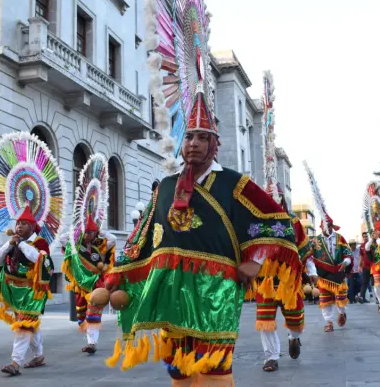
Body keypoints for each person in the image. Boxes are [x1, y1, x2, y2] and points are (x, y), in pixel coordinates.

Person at [103, 85, 303, 386]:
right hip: (171, 289)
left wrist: (256, 260)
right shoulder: (167, 187)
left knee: (214, 368)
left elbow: (277, 223)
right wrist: (114, 278)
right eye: (189, 137)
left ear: (214, 145)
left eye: (202, 138)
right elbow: (141, 236)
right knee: (178, 370)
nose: (194, 144)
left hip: (216, 290)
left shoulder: (234, 184)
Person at [0, 206, 54, 376]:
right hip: (15, 291)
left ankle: (16, 362)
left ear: (32, 227)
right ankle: (39, 356)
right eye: (18, 224)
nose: (19, 227)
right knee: (30, 324)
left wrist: (21, 244)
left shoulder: (39, 242)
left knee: (24, 325)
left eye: (24, 224)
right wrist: (9, 244)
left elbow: (39, 259)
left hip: (33, 291)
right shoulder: (13, 241)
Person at [255, 187, 312, 373]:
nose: (270, 199)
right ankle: (271, 357)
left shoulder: (293, 221)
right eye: (267, 196)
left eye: (274, 197)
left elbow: (303, 247)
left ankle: (293, 337)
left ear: (280, 199)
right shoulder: (255, 220)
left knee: (295, 320)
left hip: (289, 280)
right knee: (265, 321)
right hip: (265, 280)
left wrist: (311, 271)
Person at [61, 216, 117, 353]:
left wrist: (101, 231)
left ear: (95, 233)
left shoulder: (100, 247)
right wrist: (76, 229)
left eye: (90, 232)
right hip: (80, 286)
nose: (87, 235)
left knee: (93, 313)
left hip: (96, 284)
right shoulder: (75, 246)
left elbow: (113, 240)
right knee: (82, 316)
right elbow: (63, 240)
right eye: (85, 232)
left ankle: (92, 343)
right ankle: (90, 338)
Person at [310, 216, 352, 332]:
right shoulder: (315, 241)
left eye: (328, 226)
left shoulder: (340, 238)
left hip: (338, 272)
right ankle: (329, 322)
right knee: (325, 299)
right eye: (323, 226)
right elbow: (310, 257)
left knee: (341, 297)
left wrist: (345, 262)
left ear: (331, 226)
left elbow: (348, 254)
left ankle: (342, 313)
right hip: (323, 275)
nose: (326, 228)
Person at [357, 231, 373, 304]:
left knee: (376, 282)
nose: (365, 238)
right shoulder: (362, 246)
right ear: (362, 238)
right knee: (364, 282)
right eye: (364, 237)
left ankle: (379, 299)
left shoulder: (372, 244)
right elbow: (361, 256)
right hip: (365, 267)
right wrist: (359, 265)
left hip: (373, 266)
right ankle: (362, 297)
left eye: (366, 236)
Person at [347, 240, 361, 304]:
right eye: (352, 244)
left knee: (359, 284)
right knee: (351, 285)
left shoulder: (358, 250)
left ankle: (356, 296)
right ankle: (351, 299)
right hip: (351, 271)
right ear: (350, 245)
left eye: (355, 244)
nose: (354, 246)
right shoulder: (348, 252)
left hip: (358, 270)